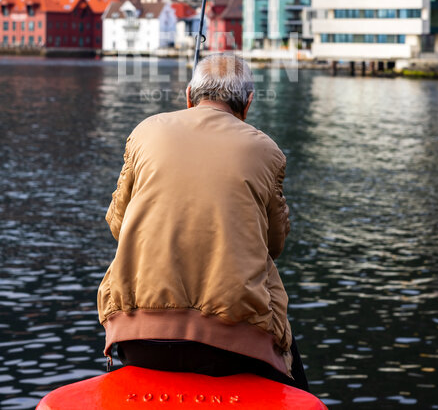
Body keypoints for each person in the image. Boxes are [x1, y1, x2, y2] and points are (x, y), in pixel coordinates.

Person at [97, 53, 308, 389]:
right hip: (233, 346)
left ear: (188, 95)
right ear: (248, 104)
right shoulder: (267, 151)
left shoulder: (145, 132)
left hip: (135, 339)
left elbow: (118, 226)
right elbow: (275, 244)